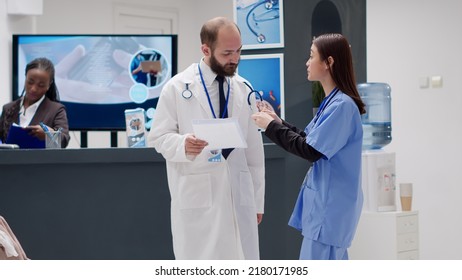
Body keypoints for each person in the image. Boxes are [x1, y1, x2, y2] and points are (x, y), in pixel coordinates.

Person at [147, 17, 265, 260]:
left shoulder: (244, 88)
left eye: (239, 51)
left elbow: (254, 152)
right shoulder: (177, 87)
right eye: (227, 53)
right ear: (205, 49)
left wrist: (257, 200)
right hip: (198, 195)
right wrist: (182, 144)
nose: (235, 59)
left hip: (238, 195)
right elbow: (159, 137)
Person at [252, 33, 366, 260]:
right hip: (326, 208)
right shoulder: (332, 102)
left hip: (330, 209)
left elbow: (309, 150)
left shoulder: (341, 106)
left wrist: (271, 127)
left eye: (312, 56)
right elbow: (307, 138)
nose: (307, 62)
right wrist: (277, 121)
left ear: (329, 62)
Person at [0, 57, 70, 148]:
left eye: (41, 85)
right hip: (9, 161)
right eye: (30, 82)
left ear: (49, 85)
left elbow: (64, 140)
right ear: (25, 77)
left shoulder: (56, 110)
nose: (33, 89)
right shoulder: (8, 108)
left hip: (40, 161)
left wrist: (49, 135)